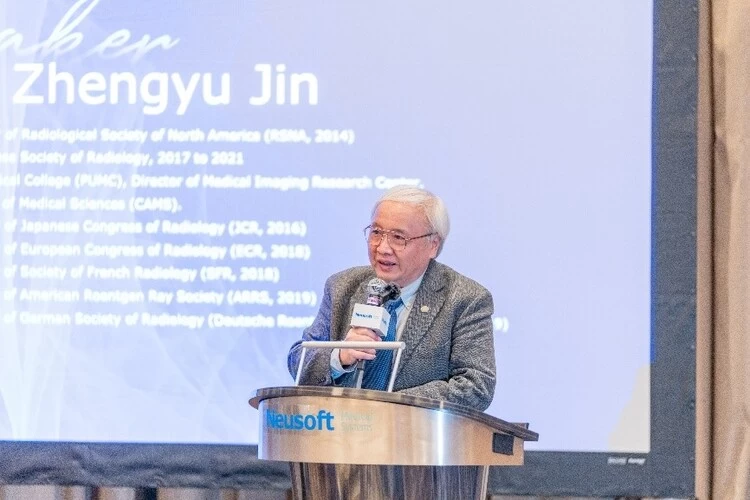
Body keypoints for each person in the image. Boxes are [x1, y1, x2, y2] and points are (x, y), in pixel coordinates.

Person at [287, 185, 496, 411]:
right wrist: (339, 357)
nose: (383, 248)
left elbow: (476, 386)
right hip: (340, 429)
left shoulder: (466, 299)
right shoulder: (342, 286)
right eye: (376, 233)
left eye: (398, 237)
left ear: (433, 245)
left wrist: (388, 406)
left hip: (414, 431)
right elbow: (299, 359)